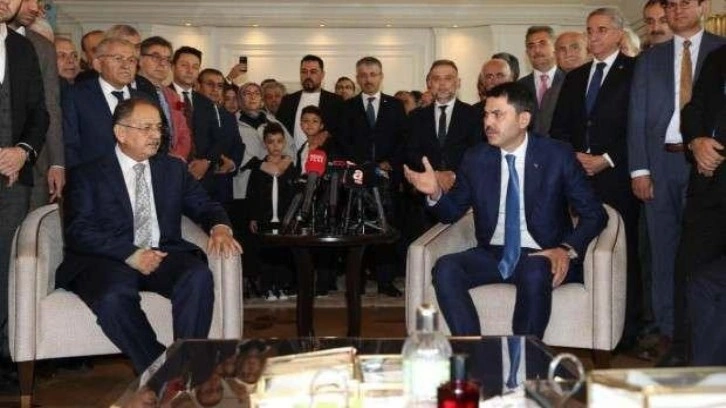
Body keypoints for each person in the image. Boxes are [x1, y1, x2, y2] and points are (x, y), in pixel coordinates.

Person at [403, 82, 606, 336]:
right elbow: (452, 212)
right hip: (494, 253)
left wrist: (565, 249)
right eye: (486, 114)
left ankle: (523, 354)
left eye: (497, 114)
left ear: (523, 119)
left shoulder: (556, 155)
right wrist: (435, 193)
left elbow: (595, 214)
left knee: (534, 270)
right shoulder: (476, 158)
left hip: (542, 254)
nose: (488, 122)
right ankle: (473, 348)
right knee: (446, 267)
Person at [56, 97, 242, 374]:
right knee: (113, 297)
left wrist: (220, 227)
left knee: (197, 276)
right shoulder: (87, 174)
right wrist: (130, 254)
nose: (156, 135)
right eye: (146, 128)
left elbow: (205, 205)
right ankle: (162, 369)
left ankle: (188, 363)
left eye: (158, 128)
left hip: (163, 252)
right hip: (110, 258)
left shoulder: (173, 169)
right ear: (121, 132)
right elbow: (78, 230)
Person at [627, 0, 725, 366]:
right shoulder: (651, 58)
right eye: (671, 4)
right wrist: (640, 170)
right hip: (661, 163)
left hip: (711, 168)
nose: (677, 9)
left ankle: (705, 339)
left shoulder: (719, 51)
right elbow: (637, 115)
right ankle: (671, 336)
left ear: (703, 6)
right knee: (664, 253)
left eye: (686, 2)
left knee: (702, 259)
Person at [551, 7, 641, 349]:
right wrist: (574, 158)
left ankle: (625, 332)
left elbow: (639, 125)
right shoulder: (575, 77)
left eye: (602, 29)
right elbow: (559, 129)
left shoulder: (636, 70)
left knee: (621, 252)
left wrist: (607, 159)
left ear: (619, 33)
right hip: (578, 180)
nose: (594, 36)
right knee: (580, 248)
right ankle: (583, 327)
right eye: (590, 30)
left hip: (617, 176)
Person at [0, 0, 48, 373]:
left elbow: (39, 112)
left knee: (6, 268)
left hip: (14, 180)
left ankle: (4, 354)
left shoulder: (22, 47)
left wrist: (22, 151)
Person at [341, 56, 408, 297]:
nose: (368, 79)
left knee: (385, 229)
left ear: (381, 77)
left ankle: (385, 281)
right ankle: (357, 280)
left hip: (386, 177)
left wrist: (391, 163)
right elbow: (342, 141)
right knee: (357, 230)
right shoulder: (347, 107)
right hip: (357, 178)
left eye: (372, 75)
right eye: (363, 75)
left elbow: (403, 139)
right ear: (357, 78)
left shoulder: (395, 105)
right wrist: (358, 165)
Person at [678, 44, 726, 365]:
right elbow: (693, 109)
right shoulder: (718, 57)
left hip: (715, 168)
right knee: (696, 279)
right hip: (708, 191)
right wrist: (696, 142)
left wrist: (716, 152)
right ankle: (697, 368)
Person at [8, 0, 64, 209]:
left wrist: (57, 162)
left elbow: (50, 106)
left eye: (38, 2)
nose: (34, 8)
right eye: (27, 0)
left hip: (33, 163)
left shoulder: (42, 46)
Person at [62, 37, 145, 168]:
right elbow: (69, 145)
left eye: (131, 60)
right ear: (98, 64)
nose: (126, 66)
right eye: (118, 58)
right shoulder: (76, 96)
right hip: (91, 175)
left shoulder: (145, 100)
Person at [246, 123, 296, 300]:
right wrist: (253, 217)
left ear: (284, 142)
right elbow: (252, 193)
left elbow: (294, 193)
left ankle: (281, 286)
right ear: (265, 144)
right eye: (271, 142)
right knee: (266, 253)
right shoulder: (260, 167)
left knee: (282, 252)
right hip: (264, 217)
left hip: (284, 217)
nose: (275, 146)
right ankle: (267, 287)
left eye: (279, 141)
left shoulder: (289, 166)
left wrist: (293, 216)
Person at [275, 55, 344, 153]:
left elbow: (342, 130)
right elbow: (279, 130)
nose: (308, 76)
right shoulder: (288, 101)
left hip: (324, 158)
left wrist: (326, 134)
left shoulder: (335, 101)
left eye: (313, 72)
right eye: (304, 72)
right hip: (292, 158)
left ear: (322, 74)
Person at [517, 26, 564, 132]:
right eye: (531, 46)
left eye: (542, 44)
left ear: (555, 48)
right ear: (527, 53)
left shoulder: (569, 81)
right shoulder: (519, 87)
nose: (537, 50)